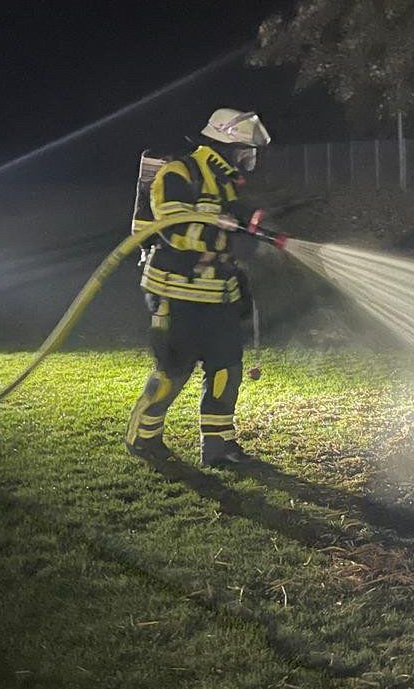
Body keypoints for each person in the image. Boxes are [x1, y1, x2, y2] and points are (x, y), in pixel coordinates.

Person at [124, 108, 277, 467]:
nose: (248, 158)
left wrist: (252, 231)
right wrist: (229, 243)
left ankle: (219, 446)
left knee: (226, 369)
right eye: (245, 150)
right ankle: (143, 438)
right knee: (173, 372)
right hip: (176, 293)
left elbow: (230, 225)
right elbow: (173, 230)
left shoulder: (225, 182)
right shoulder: (179, 173)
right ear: (225, 144)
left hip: (218, 295)